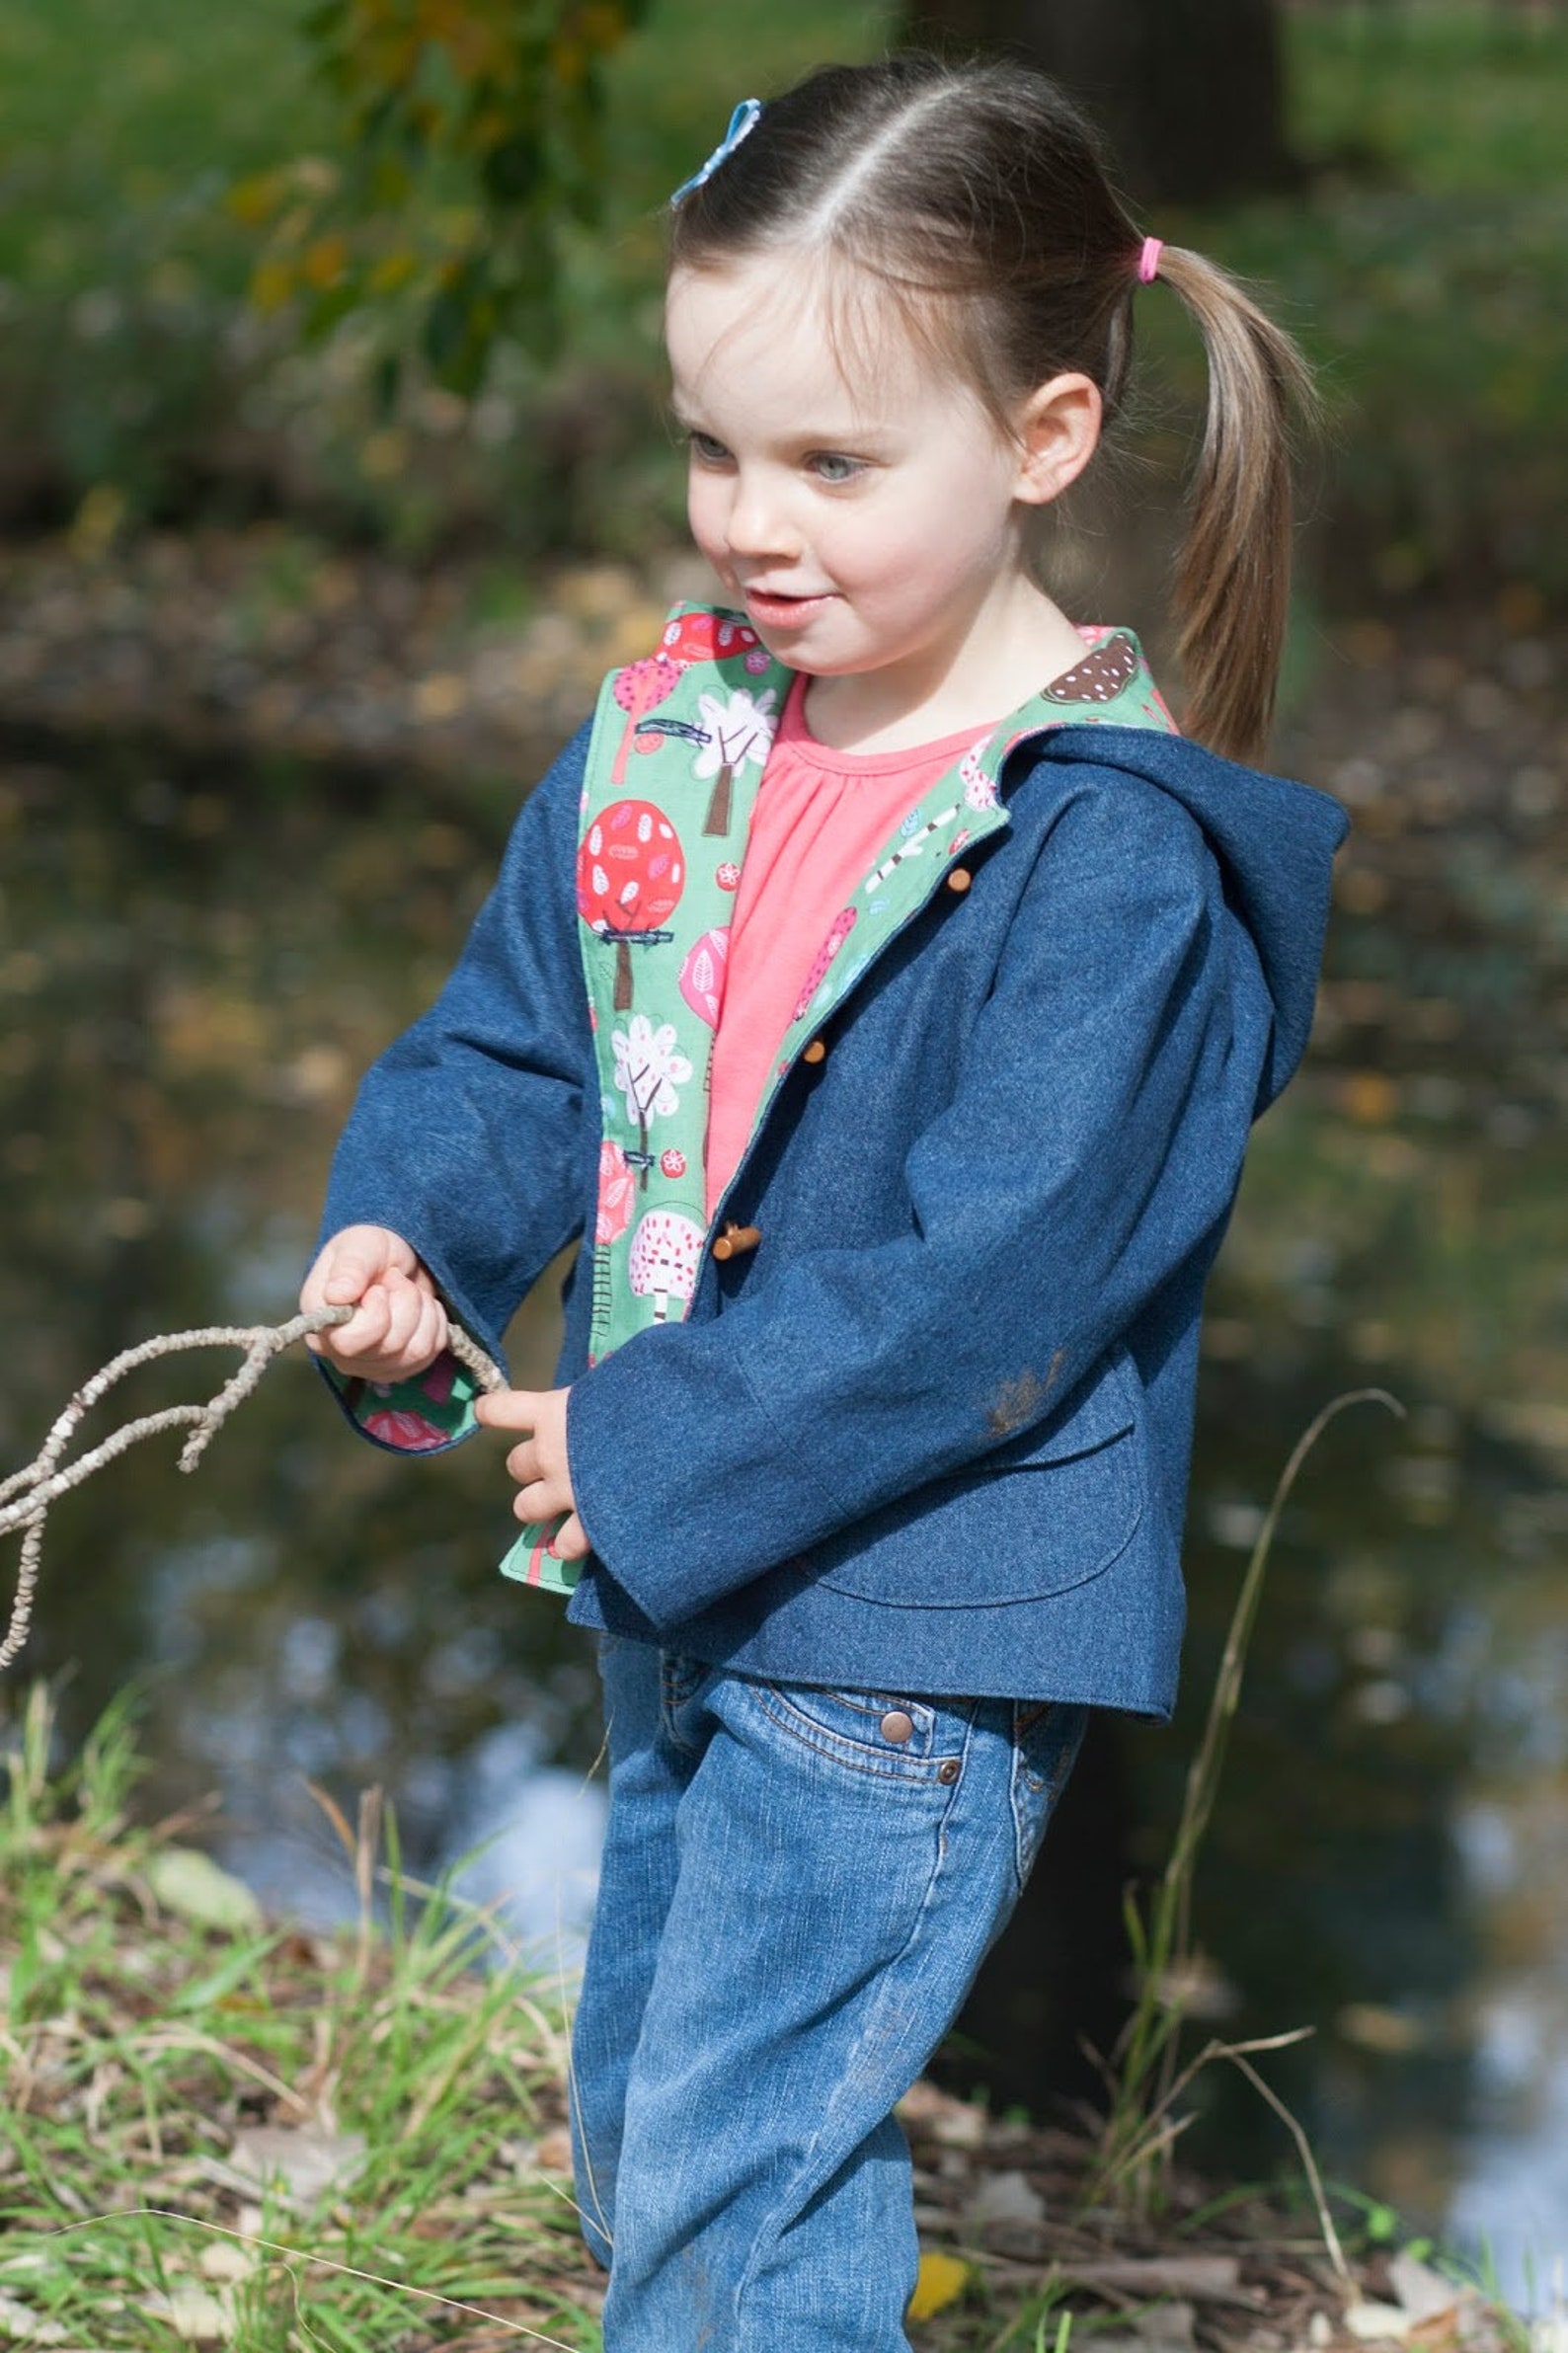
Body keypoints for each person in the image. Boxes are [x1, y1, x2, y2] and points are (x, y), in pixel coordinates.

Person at [300, 54, 1348, 2351]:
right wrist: (417, 1238)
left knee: (737, 2184)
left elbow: (987, 1279)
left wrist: (649, 1439)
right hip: (682, 1568)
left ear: (1045, 438)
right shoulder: (672, 735)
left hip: (903, 1630)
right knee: (648, 2119)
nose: (751, 522)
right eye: (710, 445)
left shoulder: (1106, 856)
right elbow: (520, 1050)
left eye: (834, 464)